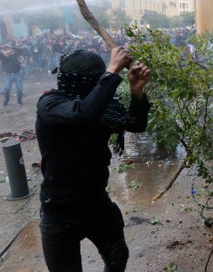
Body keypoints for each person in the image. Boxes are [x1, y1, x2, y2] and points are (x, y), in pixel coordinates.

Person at [36, 46, 151, 272]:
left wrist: (137, 92)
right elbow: (82, 114)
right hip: (59, 211)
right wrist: (112, 70)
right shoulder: (50, 104)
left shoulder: (102, 106)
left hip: (96, 202)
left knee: (118, 258)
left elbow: (136, 124)